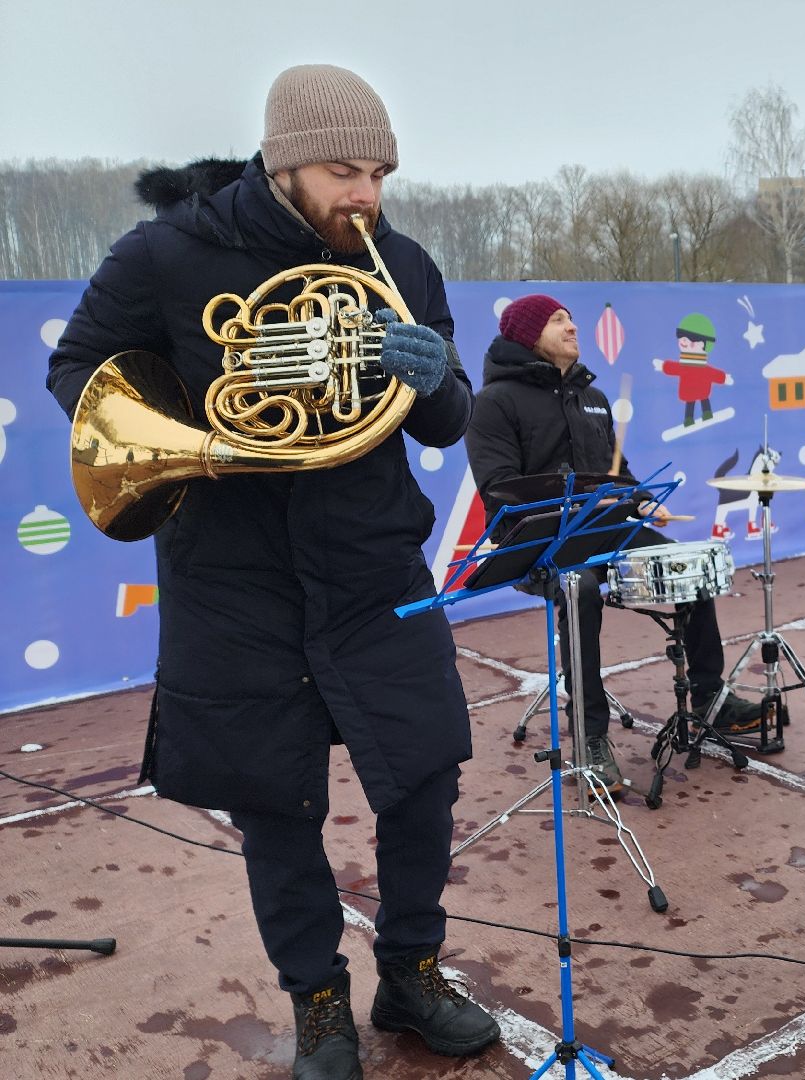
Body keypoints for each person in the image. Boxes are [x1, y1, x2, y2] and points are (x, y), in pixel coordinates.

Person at [45, 65, 497, 1079]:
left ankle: (413, 974)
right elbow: (77, 366)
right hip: (233, 575)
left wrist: (431, 381)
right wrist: (183, 434)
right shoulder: (167, 254)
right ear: (287, 162)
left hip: (374, 562)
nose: (367, 194)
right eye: (345, 170)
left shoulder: (401, 263)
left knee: (424, 776)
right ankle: (319, 1005)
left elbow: (449, 414)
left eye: (380, 171)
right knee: (274, 802)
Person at [464, 294, 764, 794]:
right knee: (578, 588)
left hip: (607, 529)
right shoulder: (493, 403)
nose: (572, 326)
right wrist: (568, 502)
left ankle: (709, 696)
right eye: (558, 320)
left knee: (684, 563)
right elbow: (500, 490)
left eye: (571, 318)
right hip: (544, 542)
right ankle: (589, 733)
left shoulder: (592, 396)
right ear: (527, 335)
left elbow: (616, 475)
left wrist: (641, 499)